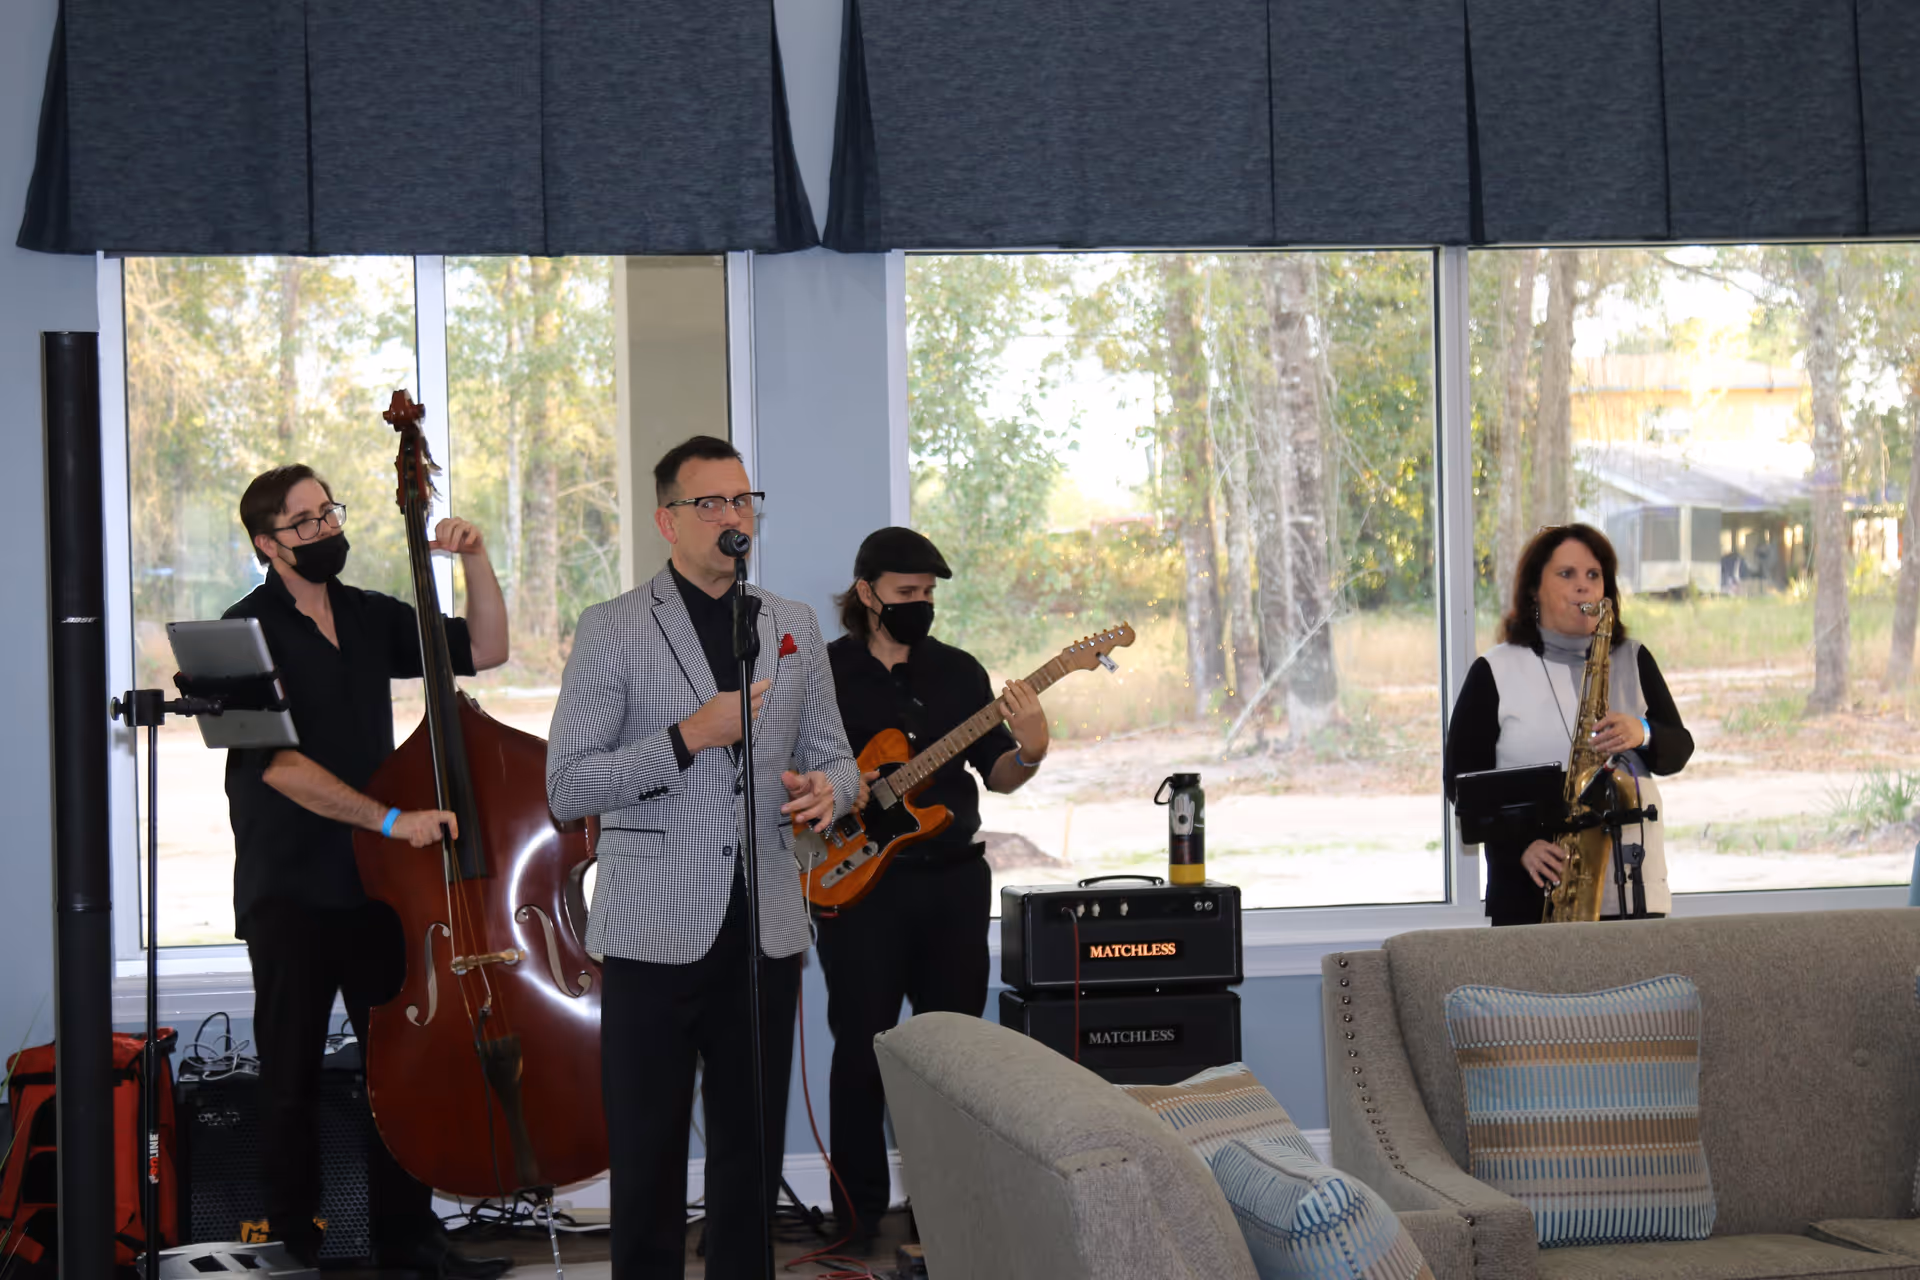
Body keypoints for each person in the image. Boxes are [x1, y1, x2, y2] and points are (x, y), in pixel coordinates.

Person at [545, 435, 860, 1280]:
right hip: (653, 927)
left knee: (749, 1152)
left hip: (764, 926)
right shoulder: (613, 628)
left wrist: (833, 792)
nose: (733, 517)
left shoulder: (791, 625)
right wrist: (688, 737)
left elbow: (839, 756)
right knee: (646, 1153)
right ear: (667, 521)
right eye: (711, 503)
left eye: (744, 500)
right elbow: (569, 786)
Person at [223, 465, 511, 1276]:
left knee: (400, 1073)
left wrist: (477, 559)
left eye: (328, 513)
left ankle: (406, 1243)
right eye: (304, 523)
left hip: (375, 892)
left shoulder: (367, 614)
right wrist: (390, 819)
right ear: (267, 545)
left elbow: (485, 648)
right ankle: (295, 1248)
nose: (325, 531)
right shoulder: (240, 632)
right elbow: (278, 766)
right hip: (290, 895)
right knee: (290, 1080)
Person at [815, 527, 1050, 1251]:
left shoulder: (960, 673)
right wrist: (855, 790)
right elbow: (798, 774)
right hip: (861, 891)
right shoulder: (824, 674)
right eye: (906, 593)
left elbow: (998, 773)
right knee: (861, 1051)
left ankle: (947, 1223)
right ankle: (856, 1223)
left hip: (951, 885)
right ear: (867, 594)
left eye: (928, 595)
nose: (920, 605)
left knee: (956, 1060)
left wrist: (1033, 746)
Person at [1443, 523, 1693, 926]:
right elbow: (1461, 783)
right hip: (1535, 891)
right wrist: (1519, 846)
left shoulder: (1633, 657)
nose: (1584, 587)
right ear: (1533, 591)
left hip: (1631, 891)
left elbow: (1678, 749)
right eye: (1567, 574)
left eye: (1594, 575)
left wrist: (1642, 733)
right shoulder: (1496, 669)